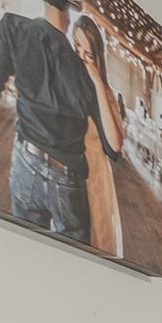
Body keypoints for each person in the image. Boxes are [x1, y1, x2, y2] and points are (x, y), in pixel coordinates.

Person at [0, 0, 118, 247]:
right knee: (75, 262)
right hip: (69, 177)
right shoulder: (84, 69)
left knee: (23, 251)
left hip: (27, 159)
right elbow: (112, 148)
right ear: (67, 8)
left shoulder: (14, 28)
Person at [69, 14, 125, 256]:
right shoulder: (66, 80)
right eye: (76, 45)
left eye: (87, 52)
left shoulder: (106, 93)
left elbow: (115, 145)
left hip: (96, 181)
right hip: (66, 176)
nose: (80, 55)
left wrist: (98, 84)